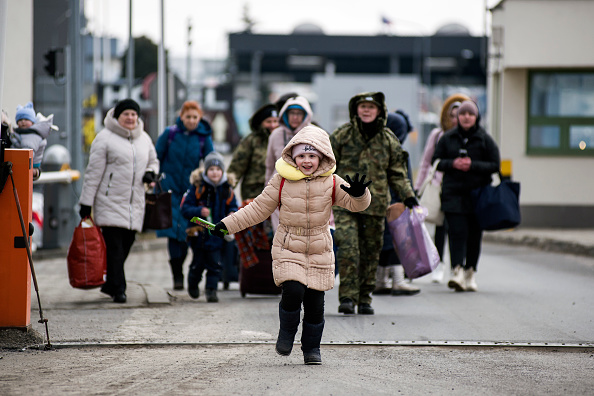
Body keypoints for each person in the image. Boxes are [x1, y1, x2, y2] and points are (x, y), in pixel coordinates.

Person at [210, 125, 371, 365]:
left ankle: (311, 349)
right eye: (302, 156)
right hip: (288, 245)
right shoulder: (281, 181)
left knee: (316, 303)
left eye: (312, 156)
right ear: (293, 157)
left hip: (319, 247)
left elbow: (357, 205)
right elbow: (257, 209)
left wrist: (360, 194)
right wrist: (226, 225)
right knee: (293, 290)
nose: (307, 161)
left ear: (322, 157)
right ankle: (286, 333)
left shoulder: (332, 182)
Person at [330, 92, 417, 315]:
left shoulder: (388, 139)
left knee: (371, 251)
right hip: (345, 202)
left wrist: (408, 195)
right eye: (363, 106)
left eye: (371, 107)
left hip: (375, 205)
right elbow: (327, 165)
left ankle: (365, 297)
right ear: (355, 109)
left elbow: (397, 172)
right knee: (348, 247)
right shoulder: (342, 135)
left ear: (380, 111)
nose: (366, 110)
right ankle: (348, 297)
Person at [79, 98, 159, 303]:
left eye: (134, 114)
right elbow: (93, 173)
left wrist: (151, 173)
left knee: (128, 243)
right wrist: (86, 203)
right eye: (126, 114)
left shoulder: (145, 139)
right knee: (115, 247)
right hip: (109, 201)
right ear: (117, 116)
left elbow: (153, 161)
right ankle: (119, 289)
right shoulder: (104, 138)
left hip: (135, 203)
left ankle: (110, 283)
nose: (131, 118)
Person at [432, 100, 500, 292]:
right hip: (453, 194)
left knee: (474, 235)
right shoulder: (447, 138)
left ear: (476, 116)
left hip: (478, 195)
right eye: (463, 114)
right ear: (458, 117)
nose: (466, 117)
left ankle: (471, 272)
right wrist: (453, 163)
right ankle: (457, 271)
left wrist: (473, 165)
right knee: (456, 233)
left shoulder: (484, 139)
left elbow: (495, 164)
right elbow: (436, 161)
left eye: (470, 114)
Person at [155, 101, 214, 290]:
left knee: (189, 232)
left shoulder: (204, 137)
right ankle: (177, 273)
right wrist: (157, 179)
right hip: (169, 190)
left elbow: (212, 161)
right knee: (173, 233)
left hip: (191, 193)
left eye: (194, 117)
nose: (191, 120)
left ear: (199, 118)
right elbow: (156, 157)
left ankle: (190, 268)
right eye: (187, 117)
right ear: (181, 117)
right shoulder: (170, 134)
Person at [415, 94, 469, 283]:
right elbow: (426, 162)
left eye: (461, 114)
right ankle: (439, 264)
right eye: (453, 115)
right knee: (440, 225)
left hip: (462, 188)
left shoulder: (471, 137)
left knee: (458, 228)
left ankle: (459, 267)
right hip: (440, 187)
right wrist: (417, 187)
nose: (457, 119)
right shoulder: (438, 135)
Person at [226, 103, 279, 289]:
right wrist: (228, 187)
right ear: (260, 123)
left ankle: (275, 278)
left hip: (277, 198)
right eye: (268, 121)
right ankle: (254, 275)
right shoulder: (251, 141)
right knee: (254, 237)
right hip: (253, 197)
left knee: (275, 237)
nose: (273, 125)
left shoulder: (284, 139)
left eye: (276, 121)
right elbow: (236, 167)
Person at [180, 151, 238, 302]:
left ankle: (211, 290)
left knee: (215, 264)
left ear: (222, 171)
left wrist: (232, 213)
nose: (215, 172)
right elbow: (185, 208)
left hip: (218, 235)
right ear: (206, 171)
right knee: (198, 263)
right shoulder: (197, 188)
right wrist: (199, 211)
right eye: (211, 169)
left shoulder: (227, 189)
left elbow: (234, 206)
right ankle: (193, 282)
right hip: (198, 235)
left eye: (218, 169)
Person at [374, 110, 420, 296]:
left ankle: (380, 280)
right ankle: (398, 281)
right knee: (397, 241)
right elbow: (404, 179)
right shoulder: (399, 152)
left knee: (383, 242)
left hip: (377, 203)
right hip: (395, 204)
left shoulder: (377, 151)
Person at [265, 95, 313, 231]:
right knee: (280, 235)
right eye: (292, 113)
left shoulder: (314, 133)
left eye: (299, 113)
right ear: (285, 114)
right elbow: (269, 165)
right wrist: (267, 192)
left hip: (306, 193)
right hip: (278, 191)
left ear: (306, 115)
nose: (295, 117)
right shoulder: (276, 135)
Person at [11, 102, 54, 181]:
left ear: (33, 122)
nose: (23, 122)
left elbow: (26, 153)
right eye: (20, 120)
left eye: (26, 119)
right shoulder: (21, 133)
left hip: (30, 165)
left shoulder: (32, 135)